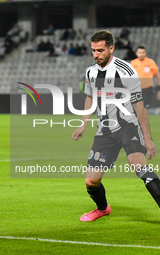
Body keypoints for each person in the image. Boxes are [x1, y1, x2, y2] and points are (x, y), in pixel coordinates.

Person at [72, 30, 160, 222]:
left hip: (128, 126)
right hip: (104, 131)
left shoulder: (126, 70)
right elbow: (90, 97)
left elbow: (139, 105)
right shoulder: (90, 71)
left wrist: (147, 137)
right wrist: (83, 123)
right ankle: (102, 209)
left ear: (111, 48)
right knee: (91, 181)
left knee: (139, 167)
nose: (96, 55)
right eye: (94, 51)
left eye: (101, 50)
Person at [130, 45, 160, 112]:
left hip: (147, 88)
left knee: (145, 107)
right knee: (136, 108)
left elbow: (158, 76)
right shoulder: (133, 63)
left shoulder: (150, 62)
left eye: (143, 52)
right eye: (139, 52)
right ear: (136, 53)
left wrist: (159, 90)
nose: (141, 54)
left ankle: (142, 122)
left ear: (145, 53)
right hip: (136, 89)